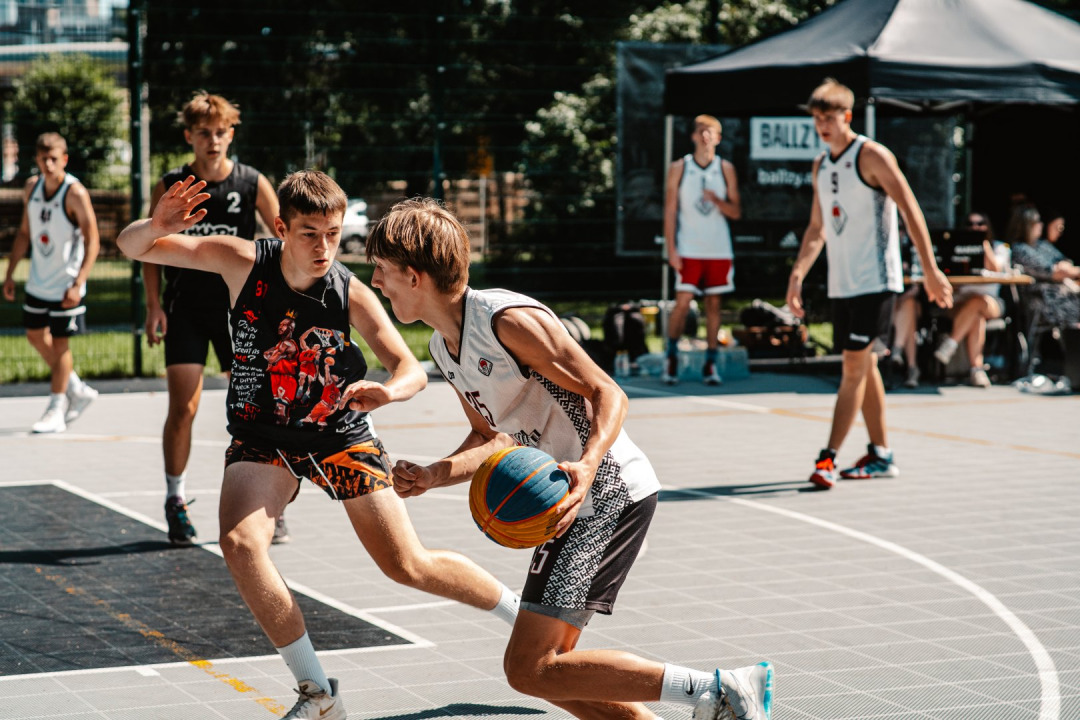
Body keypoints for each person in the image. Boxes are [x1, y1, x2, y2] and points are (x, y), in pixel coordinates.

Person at [117, 171, 522, 720]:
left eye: (333, 233)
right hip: (262, 436)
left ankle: (518, 613)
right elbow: (131, 246)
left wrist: (389, 391)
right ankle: (318, 693)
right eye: (310, 233)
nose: (324, 247)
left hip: (338, 435)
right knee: (239, 544)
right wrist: (156, 225)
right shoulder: (240, 261)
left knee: (407, 565)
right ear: (281, 228)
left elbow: (409, 368)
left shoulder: (349, 291)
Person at [368, 198, 773, 720]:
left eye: (381, 270)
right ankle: (714, 692)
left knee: (530, 667)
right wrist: (433, 473)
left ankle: (718, 688)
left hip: (606, 491)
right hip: (568, 501)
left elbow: (608, 392)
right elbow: (491, 436)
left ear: (414, 275)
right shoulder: (446, 349)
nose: (376, 282)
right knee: (547, 673)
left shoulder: (507, 321)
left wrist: (587, 465)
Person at [785, 79, 952, 490]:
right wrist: (797, 274)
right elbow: (817, 228)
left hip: (876, 280)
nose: (822, 126)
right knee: (865, 365)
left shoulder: (872, 155)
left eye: (829, 117)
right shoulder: (821, 165)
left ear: (847, 116)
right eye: (816, 119)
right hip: (843, 283)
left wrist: (930, 269)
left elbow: (911, 210)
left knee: (851, 367)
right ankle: (881, 454)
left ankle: (827, 458)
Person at [141, 92, 284, 546]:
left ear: (231, 134)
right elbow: (148, 246)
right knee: (183, 408)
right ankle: (175, 499)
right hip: (185, 310)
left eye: (221, 132)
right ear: (189, 136)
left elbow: (286, 239)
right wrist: (153, 305)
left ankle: (270, 503)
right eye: (204, 132)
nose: (213, 140)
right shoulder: (172, 184)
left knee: (255, 409)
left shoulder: (251, 182)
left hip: (240, 314)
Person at [2, 132, 100, 433]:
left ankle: (56, 408)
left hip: (66, 283)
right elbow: (24, 232)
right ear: (36, 159)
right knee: (34, 335)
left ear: (64, 159)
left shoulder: (75, 193)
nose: (48, 164)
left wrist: (79, 282)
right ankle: (76, 388)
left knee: (60, 345)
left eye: (54, 158)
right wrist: (10, 273)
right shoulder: (31, 188)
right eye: (43, 158)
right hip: (38, 281)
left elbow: (93, 240)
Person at [662, 114, 741, 386]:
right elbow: (670, 210)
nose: (706, 136)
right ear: (694, 136)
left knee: (714, 305)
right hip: (688, 248)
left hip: (718, 249)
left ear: (718, 138)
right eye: (701, 131)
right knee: (683, 302)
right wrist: (672, 249)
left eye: (711, 132)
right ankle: (671, 358)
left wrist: (717, 200)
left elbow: (736, 211)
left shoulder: (725, 168)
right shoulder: (680, 167)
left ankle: (711, 363)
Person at [932, 211, 1011, 387]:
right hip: (960, 302)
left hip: (990, 302)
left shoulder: (999, 247)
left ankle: (951, 342)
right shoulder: (955, 248)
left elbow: (996, 268)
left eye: (980, 223)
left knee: (978, 302)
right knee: (976, 317)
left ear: (987, 226)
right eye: (970, 224)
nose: (975, 227)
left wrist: (981, 243)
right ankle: (977, 370)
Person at [1008, 205, 1080, 332]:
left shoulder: (1041, 244)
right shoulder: (1020, 249)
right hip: (1044, 300)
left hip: (1064, 294)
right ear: (1027, 225)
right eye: (1037, 222)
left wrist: (1065, 269)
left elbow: (1066, 262)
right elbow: (1055, 272)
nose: (1041, 225)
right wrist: (1062, 270)